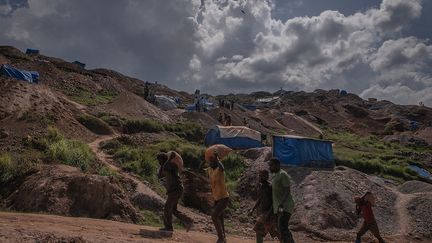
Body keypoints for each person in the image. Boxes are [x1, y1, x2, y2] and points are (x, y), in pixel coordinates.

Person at [157, 152, 193, 232]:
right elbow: (160, 176)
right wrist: (163, 163)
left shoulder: (169, 165)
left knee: (167, 208)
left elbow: (172, 153)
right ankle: (188, 220)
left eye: (159, 160)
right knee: (173, 210)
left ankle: (169, 227)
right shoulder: (166, 166)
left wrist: (169, 158)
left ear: (163, 159)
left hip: (175, 189)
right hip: (175, 189)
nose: (159, 163)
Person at [268, 158, 295, 243]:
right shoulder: (275, 175)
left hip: (284, 206)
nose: (270, 167)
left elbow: (287, 191)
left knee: (282, 227)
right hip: (278, 206)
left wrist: (281, 204)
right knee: (280, 228)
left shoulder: (283, 174)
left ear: (277, 165)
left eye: (271, 165)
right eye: (269, 165)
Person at [250, 170, 279, 243]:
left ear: (267, 177)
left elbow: (275, 202)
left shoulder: (270, 187)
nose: (260, 177)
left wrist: (268, 214)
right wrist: (252, 209)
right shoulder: (261, 186)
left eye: (262, 176)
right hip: (266, 214)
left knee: (259, 230)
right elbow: (260, 199)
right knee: (277, 233)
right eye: (260, 176)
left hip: (270, 214)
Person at [207, 151, 230, 243]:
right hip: (216, 198)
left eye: (213, 162)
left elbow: (222, 167)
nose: (211, 163)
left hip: (224, 197)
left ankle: (220, 238)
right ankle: (223, 238)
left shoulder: (219, 170)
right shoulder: (210, 170)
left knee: (214, 216)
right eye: (210, 162)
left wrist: (217, 159)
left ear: (216, 162)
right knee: (220, 219)